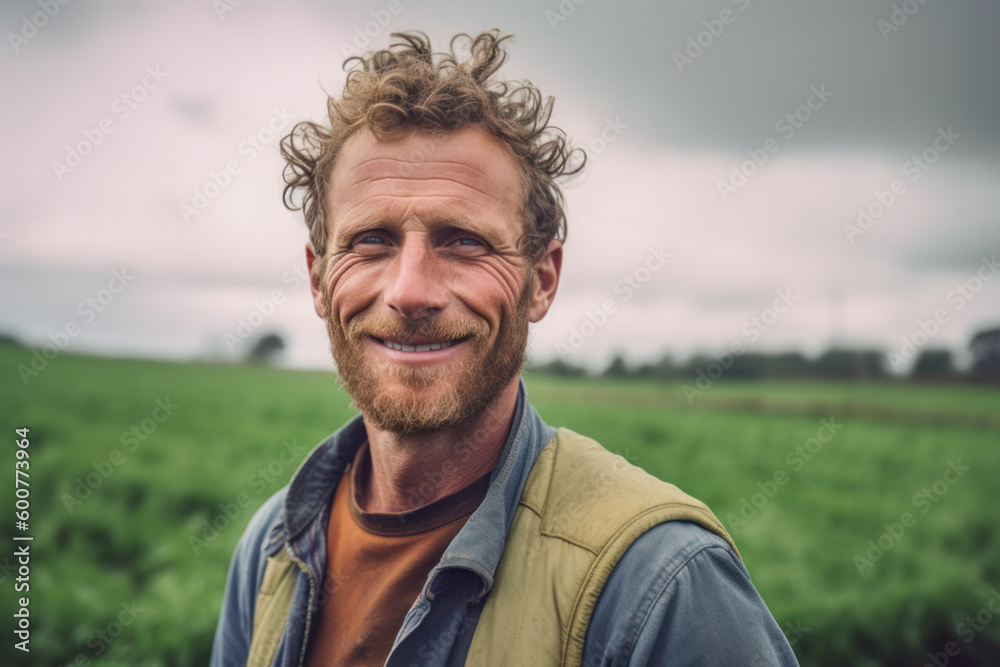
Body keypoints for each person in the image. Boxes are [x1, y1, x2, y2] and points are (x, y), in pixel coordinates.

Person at [210, 30, 799, 667]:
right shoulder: (273, 548)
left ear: (540, 280)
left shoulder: (659, 584)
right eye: (371, 240)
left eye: (463, 241)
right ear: (320, 279)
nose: (410, 292)